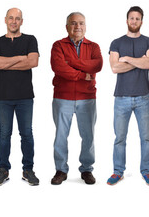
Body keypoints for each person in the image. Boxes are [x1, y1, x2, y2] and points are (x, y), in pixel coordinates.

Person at [50, 12, 102, 185]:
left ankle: (87, 170)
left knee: (88, 136)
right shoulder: (58, 45)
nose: (77, 26)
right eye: (73, 23)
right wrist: (82, 74)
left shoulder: (94, 47)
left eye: (81, 23)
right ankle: (61, 170)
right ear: (67, 27)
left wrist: (71, 61)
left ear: (85, 27)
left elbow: (98, 65)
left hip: (87, 98)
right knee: (60, 136)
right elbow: (59, 68)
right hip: (62, 97)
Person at [107, 6, 149, 186]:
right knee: (119, 138)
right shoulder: (116, 43)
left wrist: (127, 59)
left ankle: (146, 171)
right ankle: (118, 171)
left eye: (137, 18)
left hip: (143, 97)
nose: (134, 21)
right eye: (131, 18)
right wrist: (140, 61)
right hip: (121, 98)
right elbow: (114, 68)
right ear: (127, 20)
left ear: (141, 21)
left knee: (146, 137)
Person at [0, 8, 40, 186]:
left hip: (25, 96)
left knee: (27, 134)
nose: (14, 21)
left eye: (17, 18)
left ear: (21, 21)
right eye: (11, 18)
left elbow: (33, 61)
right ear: (5, 20)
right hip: (3, 96)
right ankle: (3, 170)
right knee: (4, 134)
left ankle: (28, 170)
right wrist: (20, 58)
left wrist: (6, 62)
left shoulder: (30, 39)